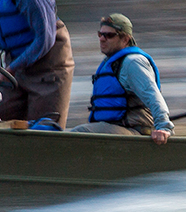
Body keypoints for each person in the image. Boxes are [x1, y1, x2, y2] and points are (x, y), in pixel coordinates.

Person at [70, 14, 174, 144]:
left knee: (80, 134)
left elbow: (153, 96)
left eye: (109, 35)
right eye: (100, 34)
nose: (102, 39)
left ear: (125, 39)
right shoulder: (112, 62)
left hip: (134, 131)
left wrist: (164, 127)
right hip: (115, 128)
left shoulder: (133, 63)